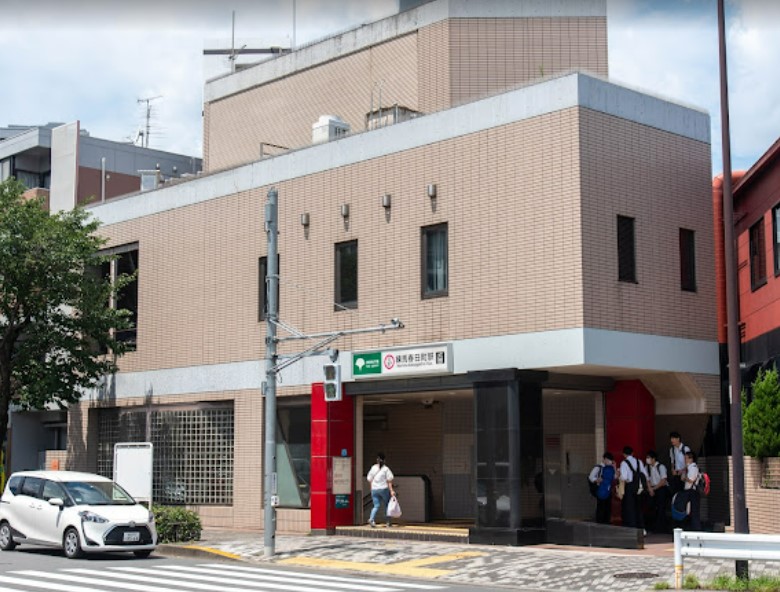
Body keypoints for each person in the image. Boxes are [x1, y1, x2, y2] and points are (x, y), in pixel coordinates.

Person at [619, 446, 646, 531]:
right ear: (632, 453)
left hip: (629, 487)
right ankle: (641, 528)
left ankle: (632, 528)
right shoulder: (639, 461)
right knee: (639, 508)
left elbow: (624, 477)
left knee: (630, 508)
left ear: (624, 454)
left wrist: (619, 476)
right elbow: (645, 474)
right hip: (639, 487)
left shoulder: (624, 463)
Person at [366, 452, 396, 527]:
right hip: (383, 489)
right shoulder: (386, 469)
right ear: (384, 460)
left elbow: (369, 479)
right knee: (387, 505)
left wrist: (371, 488)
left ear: (377, 460)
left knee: (376, 506)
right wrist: (391, 490)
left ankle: (371, 519)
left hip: (374, 490)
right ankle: (388, 522)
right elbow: (389, 480)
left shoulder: (373, 468)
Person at [645, 450, 670, 533]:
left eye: (648, 458)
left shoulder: (661, 467)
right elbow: (647, 479)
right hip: (652, 488)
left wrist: (654, 489)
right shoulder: (647, 467)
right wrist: (650, 489)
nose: (647, 459)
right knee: (651, 507)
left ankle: (661, 528)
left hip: (661, 488)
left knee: (661, 508)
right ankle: (653, 526)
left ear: (653, 459)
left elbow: (663, 480)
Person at [588, 452, 616, 524]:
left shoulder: (610, 468)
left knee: (607, 508)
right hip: (600, 490)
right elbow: (591, 477)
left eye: (611, 460)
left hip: (608, 490)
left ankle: (606, 523)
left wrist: (615, 468)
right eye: (608, 460)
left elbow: (614, 477)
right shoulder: (598, 467)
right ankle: (600, 523)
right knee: (601, 507)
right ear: (604, 459)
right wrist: (597, 480)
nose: (610, 462)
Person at [683, 450, 702, 531]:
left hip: (693, 490)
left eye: (686, 458)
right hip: (689, 490)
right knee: (689, 510)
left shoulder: (693, 468)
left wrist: (685, 478)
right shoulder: (688, 468)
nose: (685, 460)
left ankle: (696, 528)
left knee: (694, 510)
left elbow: (691, 480)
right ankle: (691, 527)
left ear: (691, 459)